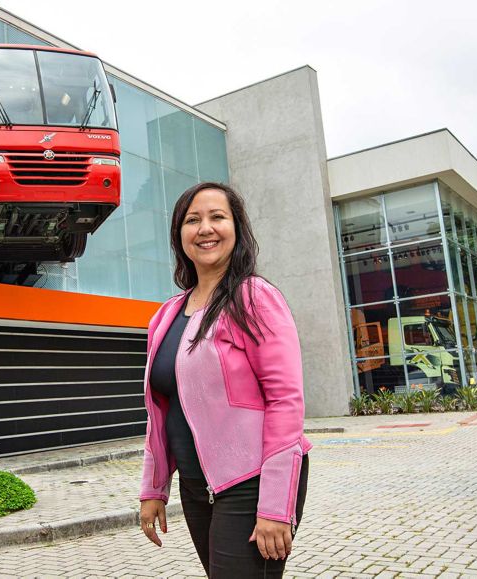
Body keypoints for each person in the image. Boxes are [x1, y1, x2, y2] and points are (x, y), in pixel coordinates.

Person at [138, 182, 311, 578]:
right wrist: (153, 489)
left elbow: (286, 401)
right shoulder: (166, 315)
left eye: (218, 217)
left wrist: (274, 506)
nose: (205, 228)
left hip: (252, 482)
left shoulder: (254, 298)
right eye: (193, 220)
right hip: (197, 487)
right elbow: (161, 412)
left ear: (237, 228)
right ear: (179, 234)